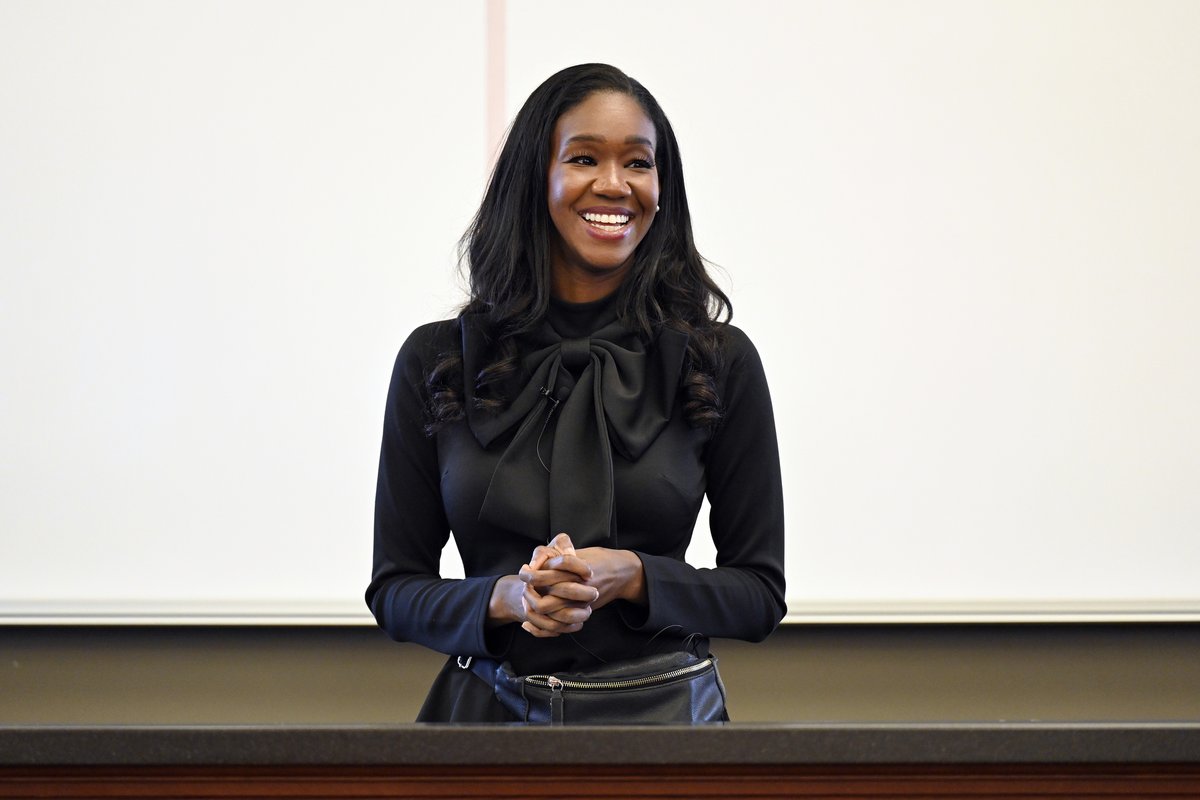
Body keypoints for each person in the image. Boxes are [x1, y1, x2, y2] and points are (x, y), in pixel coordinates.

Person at [366, 63, 785, 722]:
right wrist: (506, 597)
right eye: (585, 158)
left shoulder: (719, 360)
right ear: (536, 177)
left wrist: (634, 575)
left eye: (638, 164)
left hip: (666, 728)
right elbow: (394, 590)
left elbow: (759, 594)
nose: (614, 185)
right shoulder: (435, 358)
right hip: (483, 723)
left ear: (661, 187)